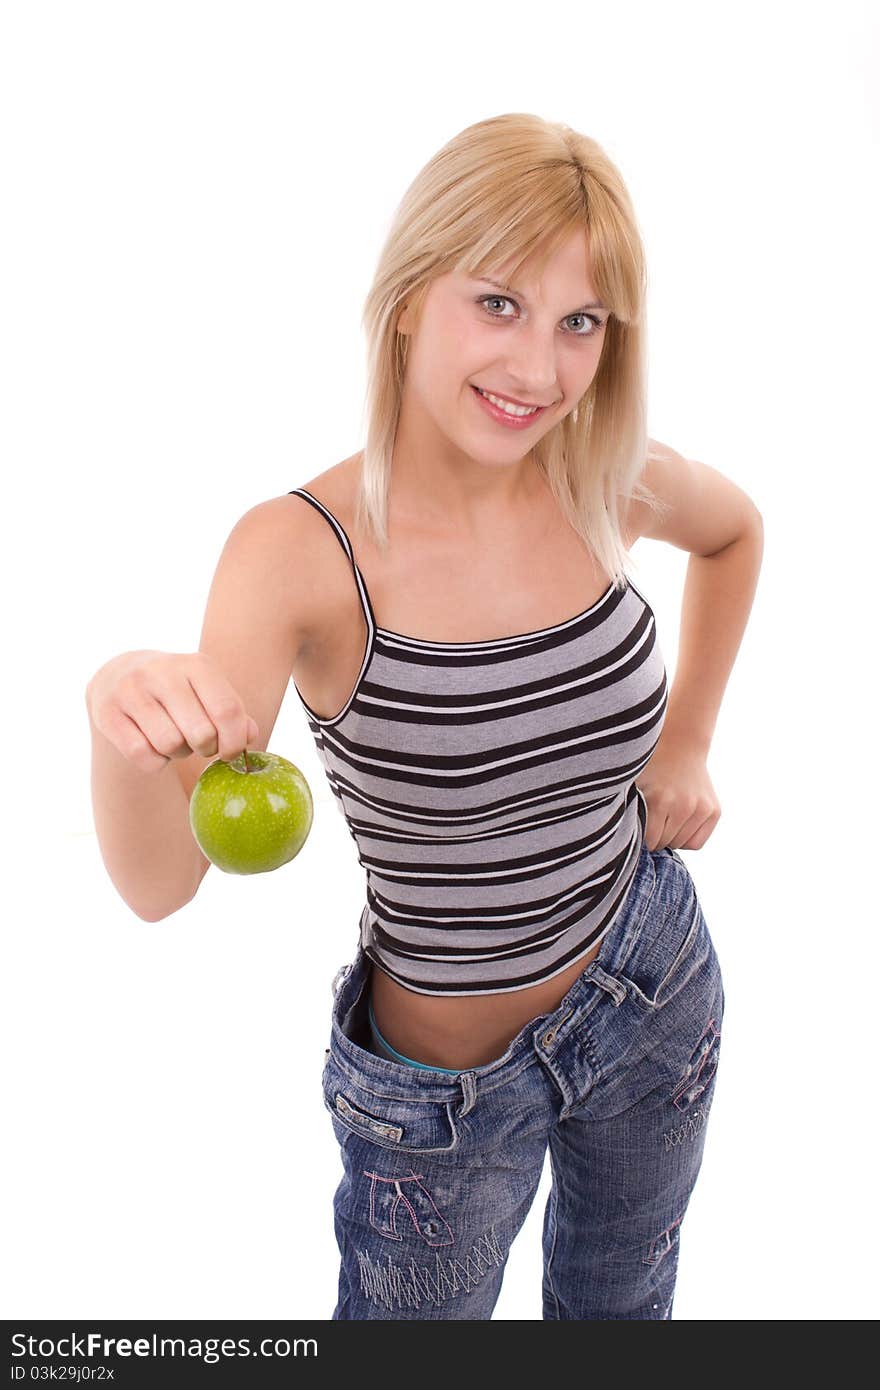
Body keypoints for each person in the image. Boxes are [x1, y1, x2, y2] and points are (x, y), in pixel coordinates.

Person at [85, 112, 764, 1320]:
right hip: (440, 1103)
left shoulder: (598, 473)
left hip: (649, 987)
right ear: (407, 298)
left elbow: (734, 529)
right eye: (496, 303)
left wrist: (690, 743)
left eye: (580, 323)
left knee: (626, 1303)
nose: (540, 372)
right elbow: (159, 883)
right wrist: (120, 718)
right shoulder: (299, 553)